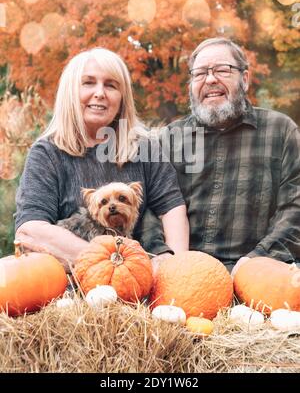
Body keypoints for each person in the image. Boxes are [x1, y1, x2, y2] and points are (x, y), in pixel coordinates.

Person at [15, 48, 189, 271]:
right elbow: (30, 229)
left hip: (137, 283)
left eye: (111, 85)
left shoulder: (144, 147)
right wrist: (110, 263)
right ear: (70, 92)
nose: (100, 93)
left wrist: (176, 268)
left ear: (122, 97)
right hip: (71, 282)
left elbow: (172, 208)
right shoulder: (47, 153)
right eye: (88, 83)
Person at [139, 37, 300, 275]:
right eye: (200, 73)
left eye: (223, 70)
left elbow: (295, 209)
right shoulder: (168, 138)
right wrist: (163, 254)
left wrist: (256, 260)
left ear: (244, 79)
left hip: (258, 273)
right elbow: (146, 207)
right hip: (181, 275)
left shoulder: (281, 130)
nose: (211, 79)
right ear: (191, 84)